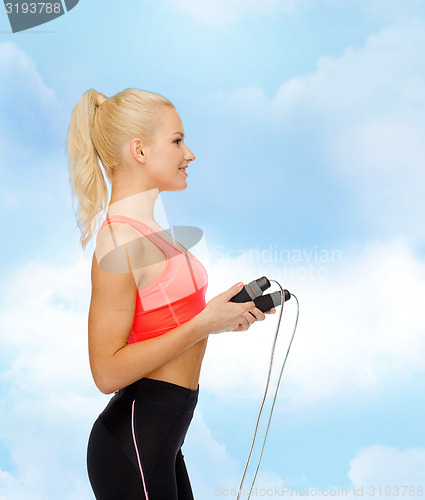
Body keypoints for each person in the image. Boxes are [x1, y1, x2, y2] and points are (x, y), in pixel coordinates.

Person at [66, 87, 276, 499]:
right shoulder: (117, 242)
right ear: (140, 151)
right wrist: (204, 324)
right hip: (133, 445)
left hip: (161, 445)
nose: (189, 154)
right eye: (177, 141)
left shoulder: (154, 235)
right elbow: (106, 373)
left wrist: (221, 319)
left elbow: (165, 327)